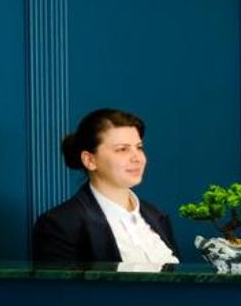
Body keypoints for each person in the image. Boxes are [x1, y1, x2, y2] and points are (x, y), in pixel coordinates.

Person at [31, 108, 180, 266]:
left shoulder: (157, 216)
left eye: (139, 147)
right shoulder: (60, 225)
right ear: (89, 160)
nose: (137, 158)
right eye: (122, 149)